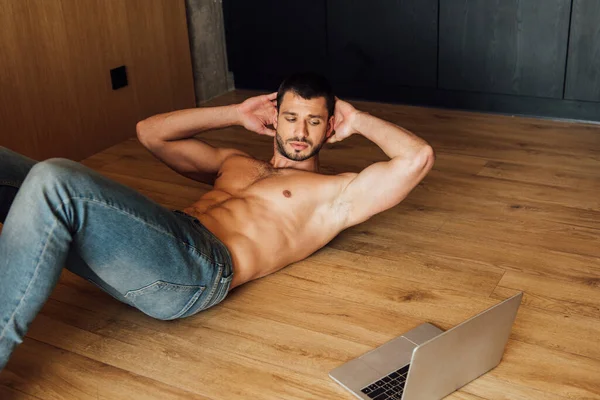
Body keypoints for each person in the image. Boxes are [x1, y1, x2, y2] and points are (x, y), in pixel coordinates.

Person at [0, 72, 434, 369]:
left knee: (56, 179)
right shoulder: (234, 161)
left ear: (329, 127)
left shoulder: (334, 195)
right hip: (152, 249)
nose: (300, 131)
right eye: (291, 117)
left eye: (314, 121)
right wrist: (234, 113)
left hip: (198, 272)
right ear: (274, 117)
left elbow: (417, 159)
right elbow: (150, 131)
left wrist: (357, 119)